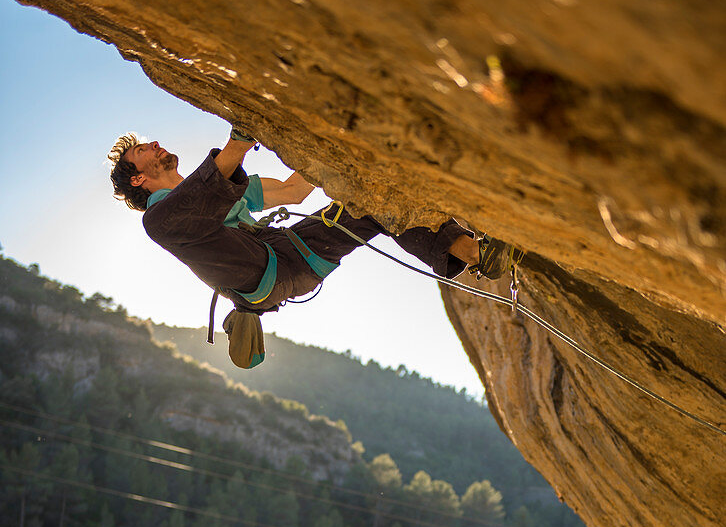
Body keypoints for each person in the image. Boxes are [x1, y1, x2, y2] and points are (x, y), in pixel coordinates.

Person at [108, 125, 515, 367]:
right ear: (138, 179)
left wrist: (330, 146)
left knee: (370, 202)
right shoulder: (162, 220)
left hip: (291, 255)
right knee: (173, 220)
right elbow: (196, 200)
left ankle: (476, 254)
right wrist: (240, 139)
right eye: (142, 151)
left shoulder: (227, 188)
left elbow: (294, 191)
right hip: (258, 276)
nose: (154, 144)